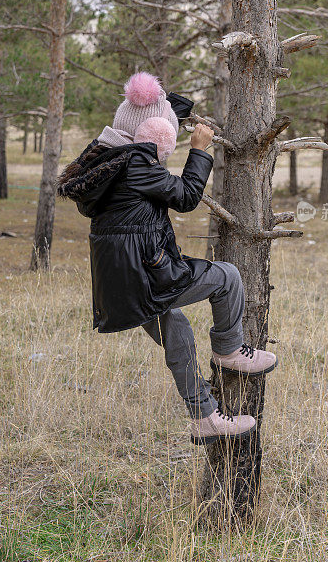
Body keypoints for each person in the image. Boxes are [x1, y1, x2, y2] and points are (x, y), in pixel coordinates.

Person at [58, 72, 276, 444]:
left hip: (119, 288)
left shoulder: (106, 161)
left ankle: (206, 418)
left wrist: (179, 111)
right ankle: (228, 350)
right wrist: (200, 151)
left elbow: (151, 122)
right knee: (227, 277)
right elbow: (188, 196)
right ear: (156, 135)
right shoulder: (136, 164)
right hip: (148, 276)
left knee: (179, 336)